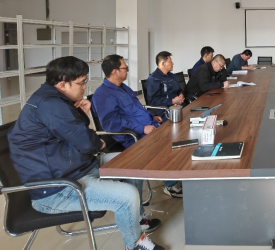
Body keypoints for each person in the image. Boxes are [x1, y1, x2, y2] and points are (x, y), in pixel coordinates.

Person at [8, 56, 164, 250]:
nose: (84, 87)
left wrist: (83, 114)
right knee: (128, 195)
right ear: (62, 84)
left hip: (75, 168)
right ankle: (135, 244)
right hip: (58, 189)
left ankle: (136, 218)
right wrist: (98, 143)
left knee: (134, 163)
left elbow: (76, 133)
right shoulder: (50, 105)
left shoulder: (56, 99)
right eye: (81, 83)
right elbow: (87, 142)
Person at [93, 55, 182, 200]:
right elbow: (112, 123)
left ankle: (173, 178)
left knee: (178, 134)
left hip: (148, 127)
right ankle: (170, 183)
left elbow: (137, 108)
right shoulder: (102, 94)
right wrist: (142, 128)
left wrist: (151, 116)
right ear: (115, 71)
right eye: (125, 68)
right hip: (132, 136)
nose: (128, 70)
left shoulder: (123, 87)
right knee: (169, 143)